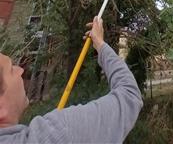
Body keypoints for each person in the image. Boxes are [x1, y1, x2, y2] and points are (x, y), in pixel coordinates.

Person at [0, 16, 143, 143]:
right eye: (11, 70)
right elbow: (129, 94)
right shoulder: (60, 133)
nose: (20, 70)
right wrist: (100, 44)